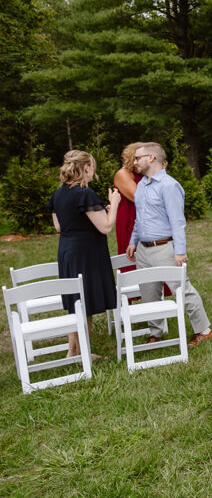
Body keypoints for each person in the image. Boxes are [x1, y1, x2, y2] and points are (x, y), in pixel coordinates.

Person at [126, 142, 212, 347]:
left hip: (165, 248)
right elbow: (139, 218)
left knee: (182, 289)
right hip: (143, 249)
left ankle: (204, 330)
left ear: (151, 158)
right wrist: (133, 241)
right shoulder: (140, 185)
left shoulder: (169, 185)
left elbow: (178, 221)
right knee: (148, 292)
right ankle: (156, 332)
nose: (135, 161)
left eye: (138, 158)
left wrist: (180, 252)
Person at [47, 150, 120, 359]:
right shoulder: (84, 194)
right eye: (92, 167)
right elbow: (106, 227)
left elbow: (59, 226)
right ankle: (84, 355)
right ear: (86, 168)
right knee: (84, 300)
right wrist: (113, 204)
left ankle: (73, 350)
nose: (93, 172)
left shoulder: (59, 193)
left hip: (67, 251)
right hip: (86, 253)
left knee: (76, 301)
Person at [112, 142, 144, 256]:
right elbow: (139, 198)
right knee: (132, 257)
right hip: (129, 219)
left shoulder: (144, 174)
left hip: (145, 219)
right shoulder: (123, 174)